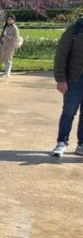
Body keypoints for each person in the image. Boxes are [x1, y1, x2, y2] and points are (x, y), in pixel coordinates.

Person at [50, 14, 83, 158]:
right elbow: (61, 55)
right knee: (68, 113)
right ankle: (62, 142)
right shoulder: (74, 30)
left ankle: (81, 144)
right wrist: (61, 79)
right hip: (75, 79)